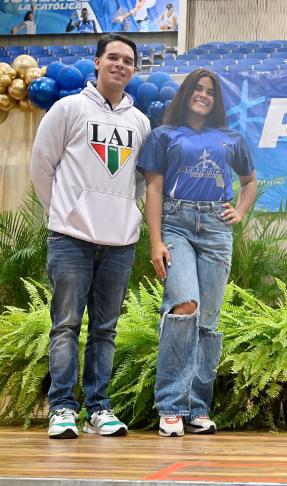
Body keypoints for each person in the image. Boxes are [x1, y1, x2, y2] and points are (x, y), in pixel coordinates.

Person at [30, 33, 149, 439]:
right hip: (70, 239)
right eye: (112, 57)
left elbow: (138, 183)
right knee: (65, 325)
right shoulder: (68, 108)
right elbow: (41, 167)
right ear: (96, 63)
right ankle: (62, 408)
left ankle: (99, 409)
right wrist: (63, 212)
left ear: (134, 69)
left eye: (128, 60)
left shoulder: (140, 123)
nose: (120, 65)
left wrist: (124, 214)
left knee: (105, 330)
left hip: (119, 242)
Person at [138, 68, 257, 438]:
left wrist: (239, 210)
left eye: (209, 91)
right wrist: (155, 241)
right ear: (186, 93)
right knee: (184, 305)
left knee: (207, 321)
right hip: (175, 222)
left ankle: (197, 406)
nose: (203, 95)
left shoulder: (231, 138)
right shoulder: (163, 135)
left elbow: (249, 181)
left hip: (217, 229)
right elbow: (153, 190)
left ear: (216, 100)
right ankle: (171, 404)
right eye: (197, 89)